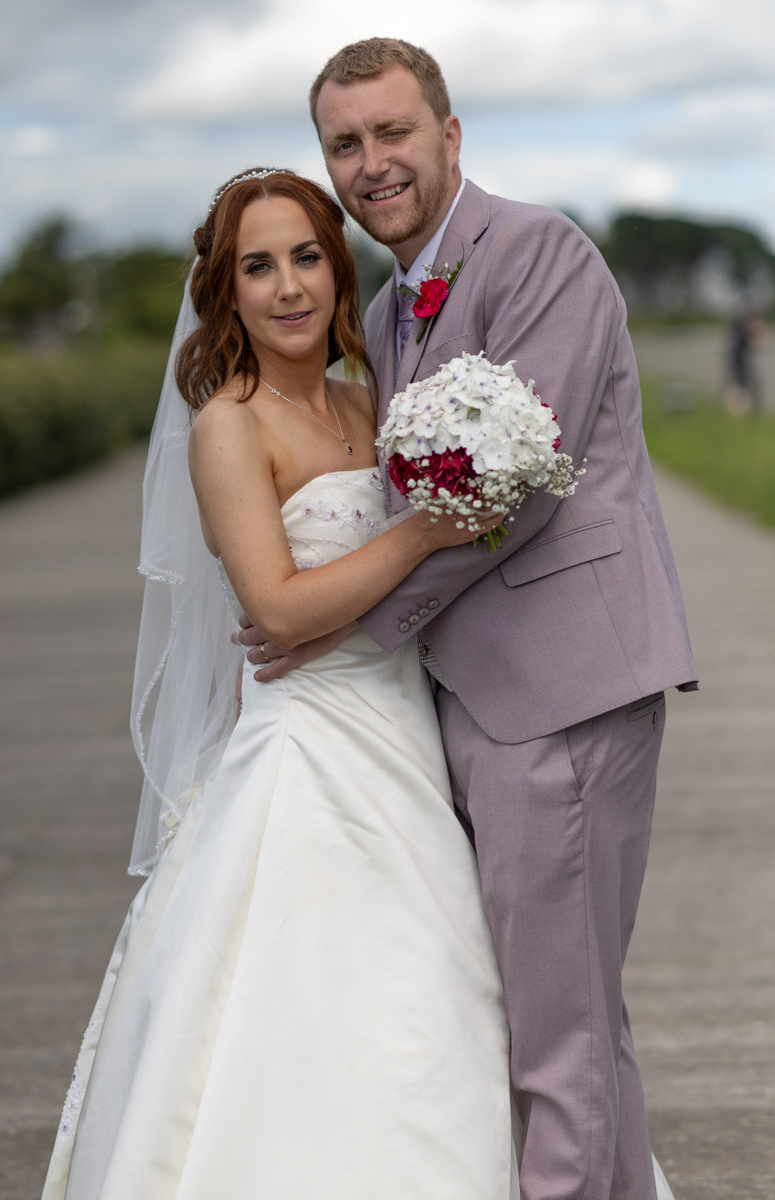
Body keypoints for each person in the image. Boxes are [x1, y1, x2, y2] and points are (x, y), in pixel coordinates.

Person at [236, 38, 696, 1200]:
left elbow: (512, 492)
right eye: (345, 143)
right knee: (569, 1021)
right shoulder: (391, 307)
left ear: (448, 135)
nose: (371, 162)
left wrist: (345, 628)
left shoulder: (538, 252)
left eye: (392, 131)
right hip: (479, 700)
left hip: (558, 689)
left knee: (556, 1043)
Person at [40, 168, 520, 1199]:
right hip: (307, 749)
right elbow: (278, 608)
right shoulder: (229, 423)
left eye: (306, 256)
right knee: (306, 998)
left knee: (440, 989)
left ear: (338, 269)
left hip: (409, 737)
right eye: (257, 267)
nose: (289, 285)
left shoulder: (370, 402)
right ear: (226, 291)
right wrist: (429, 530)